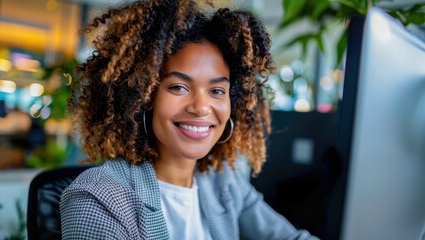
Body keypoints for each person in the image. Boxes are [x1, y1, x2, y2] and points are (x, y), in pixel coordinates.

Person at [60, 0, 319, 239]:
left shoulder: (223, 182)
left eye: (217, 91)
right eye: (179, 87)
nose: (201, 108)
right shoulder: (98, 197)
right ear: (143, 96)